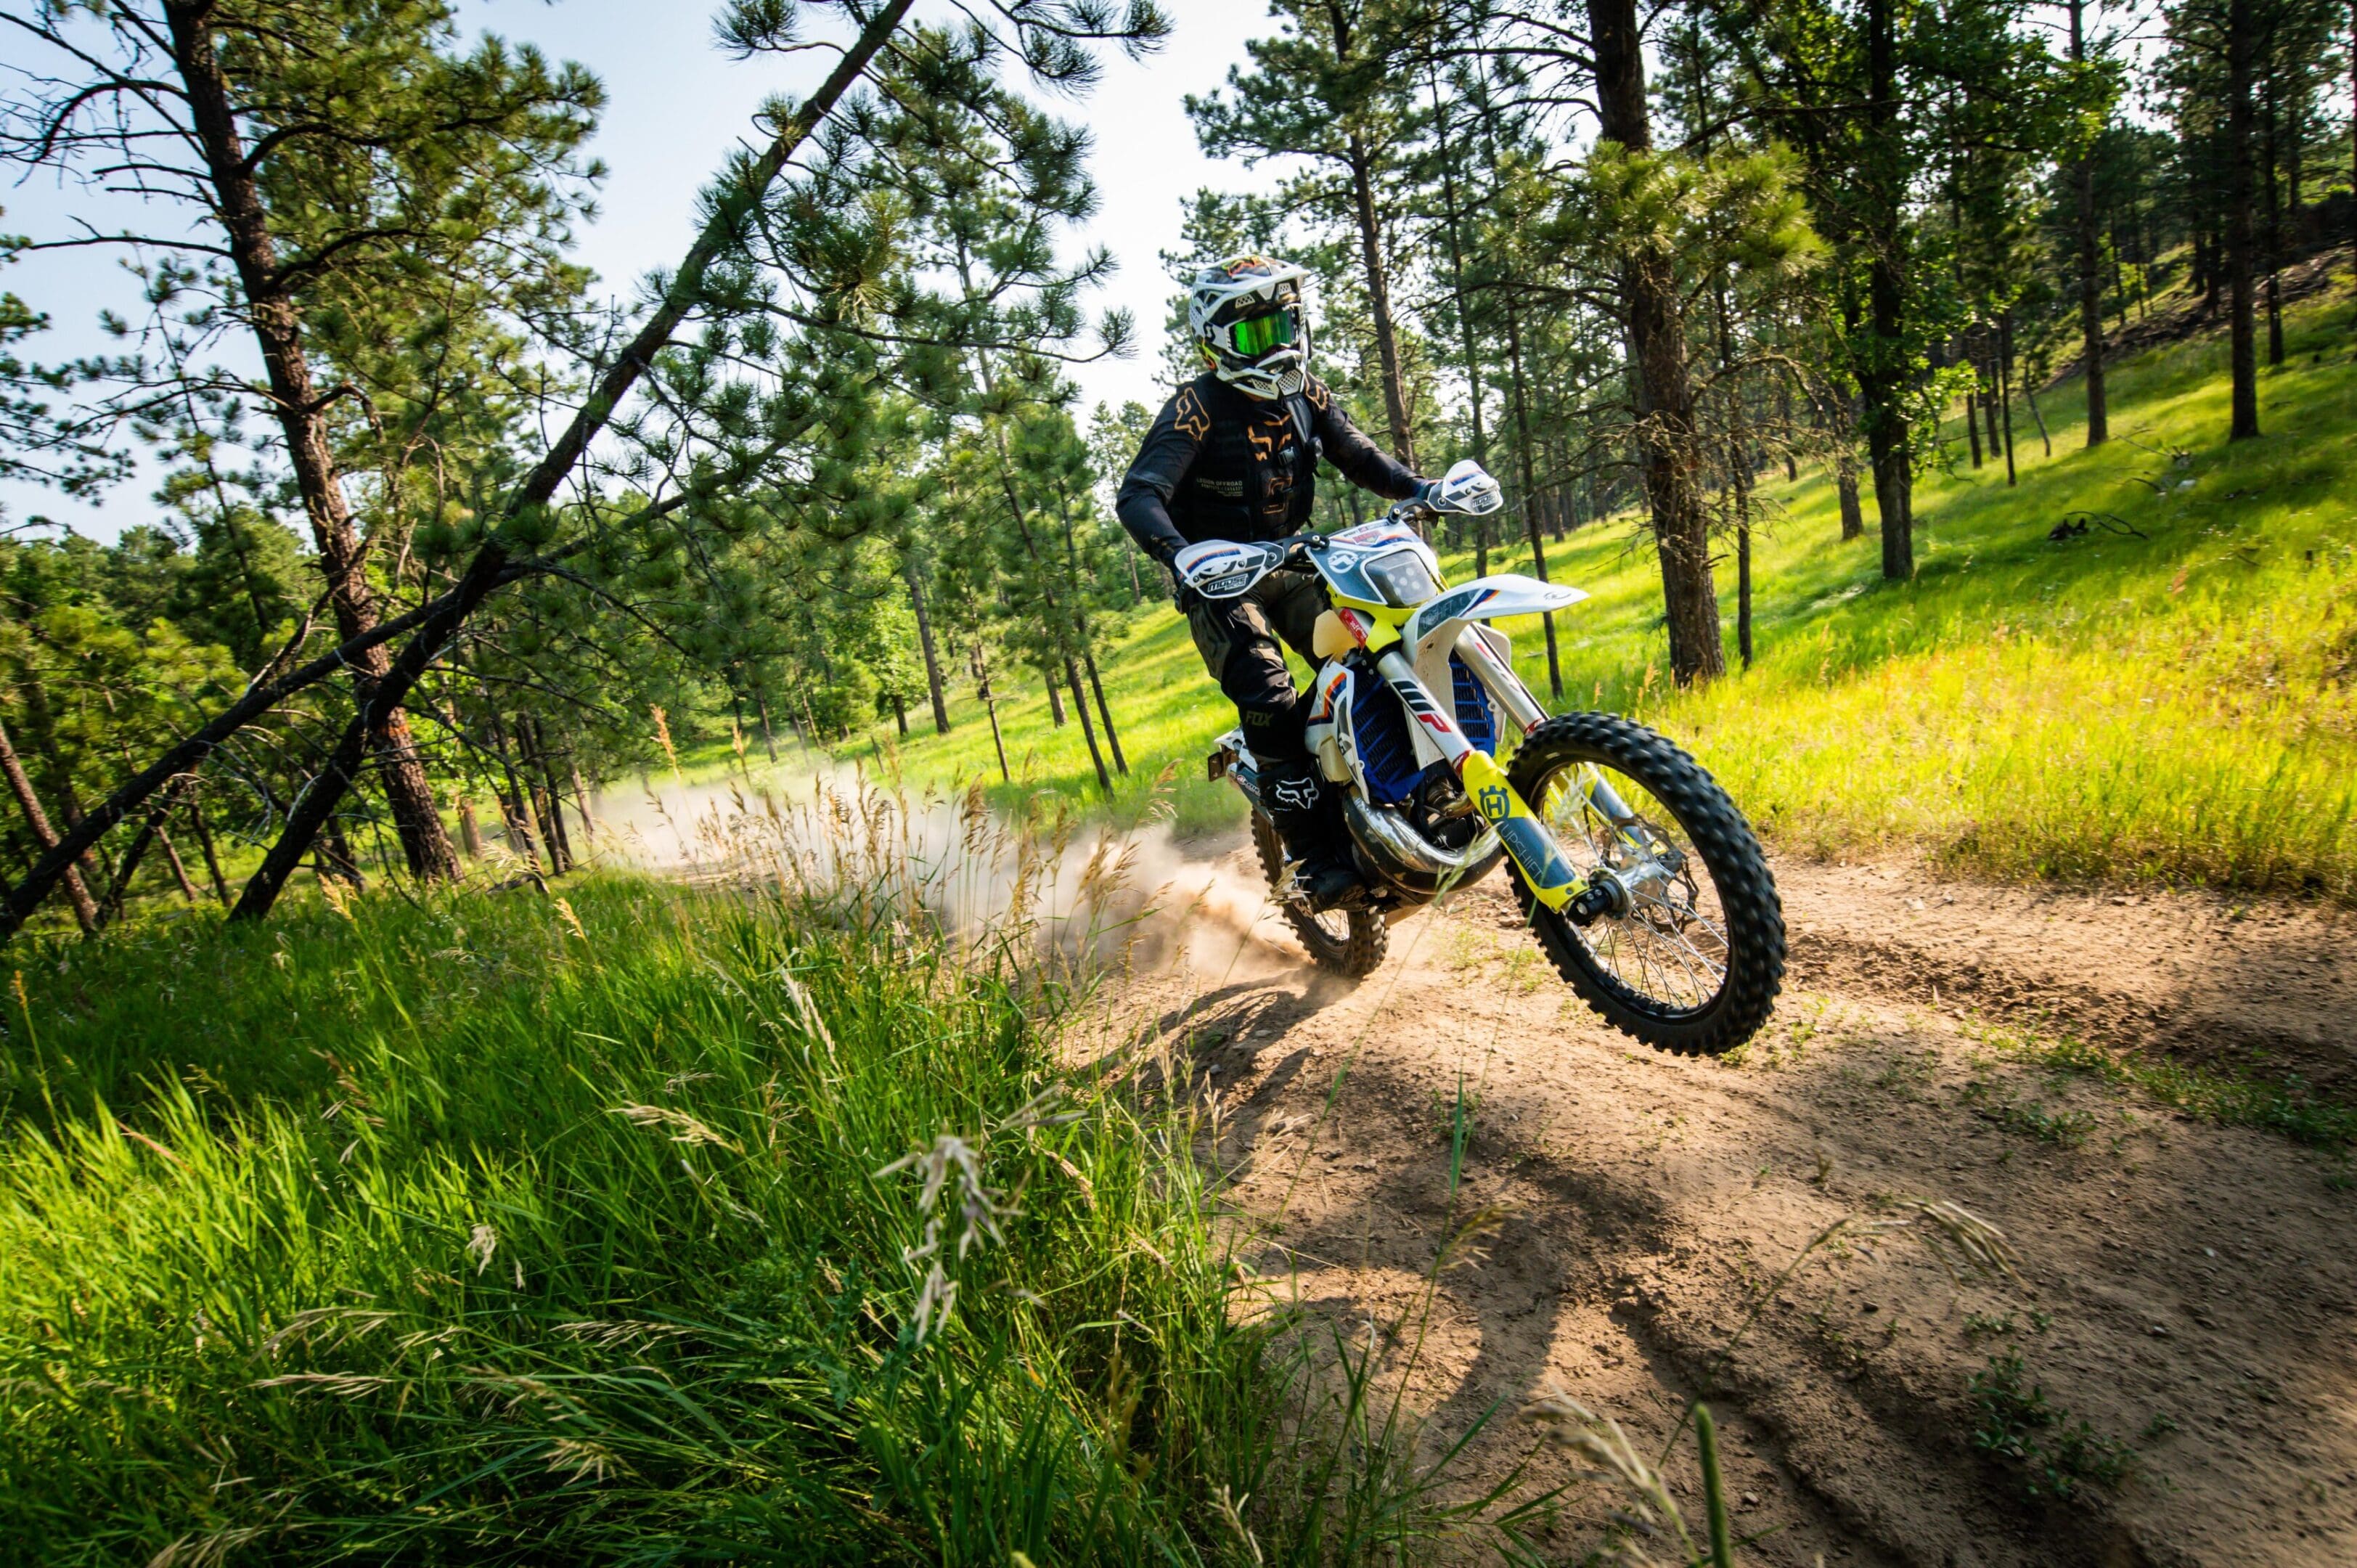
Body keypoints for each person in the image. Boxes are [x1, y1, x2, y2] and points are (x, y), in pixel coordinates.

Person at [1116, 255, 1441, 910]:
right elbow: (1140, 495)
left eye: (1283, 325)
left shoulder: (1306, 394)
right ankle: (1312, 856)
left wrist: (1420, 490)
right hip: (1220, 581)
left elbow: (1360, 454)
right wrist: (1181, 556)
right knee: (1269, 693)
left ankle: (1402, 795)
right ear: (1215, 342)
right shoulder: (1195, 406)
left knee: (1375, 656)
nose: (1276, 345)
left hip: (1292, 562)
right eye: (1253, 335)